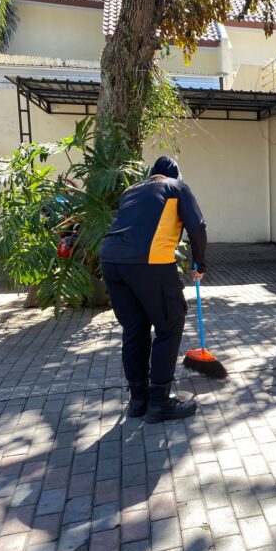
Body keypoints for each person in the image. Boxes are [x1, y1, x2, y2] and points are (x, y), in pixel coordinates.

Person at [100, 156, 206, 422]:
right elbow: (198, 226)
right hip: (149, 263)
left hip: (111, 261)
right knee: (169, 325)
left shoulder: (131, 190)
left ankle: (138, 400)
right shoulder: (176, 187)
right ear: (175, 175)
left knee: (134, 330)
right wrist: (199, 263)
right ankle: (160, 402)